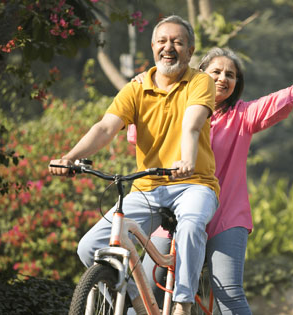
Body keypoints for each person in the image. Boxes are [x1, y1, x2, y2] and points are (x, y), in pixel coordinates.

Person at [131, 46, 293, 314]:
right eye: (216, 71)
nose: (224, 78)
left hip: (225, 219)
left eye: (231, 74)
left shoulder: (243, 116)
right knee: (145, 289)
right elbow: (137, 134)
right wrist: (143, 89)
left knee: (229, 294)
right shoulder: (173, 109)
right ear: (199, 75)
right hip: (172, 216)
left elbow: (289, 97)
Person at [49, 15, 220, 315]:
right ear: (153, 47)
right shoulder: (135, 88)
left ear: (190, 51)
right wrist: (69, 158)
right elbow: (105, 128)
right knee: (89, 247)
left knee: (192, 225)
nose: (169, 48)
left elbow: (192, 125)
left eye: (178, 42)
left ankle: (182, 302)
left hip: (194, 183)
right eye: (163, 41)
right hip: (148, 188)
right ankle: (141, 304)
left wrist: (187, 161)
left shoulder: (200, 81)